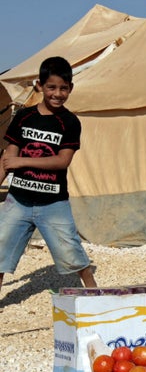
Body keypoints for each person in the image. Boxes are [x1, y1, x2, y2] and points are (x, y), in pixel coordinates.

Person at [0, 56, 97, 295]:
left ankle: (95, 297)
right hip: (18, 200)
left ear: (71, 89)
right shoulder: (23, 117)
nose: (58, 93)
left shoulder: (69, 122)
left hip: (53, 202)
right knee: (0, 249)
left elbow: (62, 161)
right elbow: (6, 159)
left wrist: (21, 160)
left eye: (64, 88)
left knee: (71, 251)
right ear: (40, 86)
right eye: (52, 87)